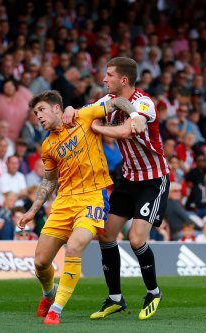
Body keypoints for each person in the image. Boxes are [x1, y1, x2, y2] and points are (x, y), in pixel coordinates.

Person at [63, 57, 169, 320]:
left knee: (135, 239)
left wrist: (96, 126)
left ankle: (153, 292)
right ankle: (115, 298)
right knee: (107, 235)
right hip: (128, 179)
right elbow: (83, 112)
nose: (104, 79)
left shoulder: (144, 103)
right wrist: (70, 109)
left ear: (123, 79)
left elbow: (126, 131)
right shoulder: (106, 102)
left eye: (109, 75)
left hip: (153, 180)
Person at [17, 90, 114, 325]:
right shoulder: (48, 145)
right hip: (63, 203)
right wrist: (32, 210)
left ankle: (56, 310)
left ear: (57, 108)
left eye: (41, 110)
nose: (37, 116)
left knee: (74, 247)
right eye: (35, 113)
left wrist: (137, 115)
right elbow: (50, 179)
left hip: (92, 198)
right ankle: (49, 294)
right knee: (40, 262)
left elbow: (117, 102)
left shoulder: (85, 116)